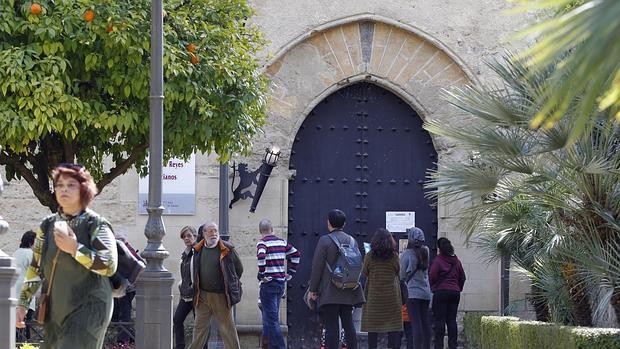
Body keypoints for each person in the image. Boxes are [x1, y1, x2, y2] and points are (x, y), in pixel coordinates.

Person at [16, 163, 118, 349]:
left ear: (84, 189)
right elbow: (35, 268)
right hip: (55, 311)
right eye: (59, 185)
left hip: (90, 307)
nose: (64, 189)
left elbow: (109, 264)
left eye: (71, 185)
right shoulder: (46, 225)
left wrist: (75, 249)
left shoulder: (95, 224)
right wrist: (22, 304)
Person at [308, 209, 365, 349]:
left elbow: (317, 266)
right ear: (344, 224)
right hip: (348, 287)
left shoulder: (325, 241)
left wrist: (313, 289)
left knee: (331, 325)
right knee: (348, 324)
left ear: (328, 223)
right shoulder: (352, 240)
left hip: (330, 290)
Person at [189, 222, 243, 349]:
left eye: (215, 230)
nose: (213, 234)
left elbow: (239, 269)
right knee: (199, 328)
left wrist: (229, 284)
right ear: (204, 233)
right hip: (202, 295)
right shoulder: (198, 249)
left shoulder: (227, 249)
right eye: (210, 231)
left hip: (221, 295)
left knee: (227, 328)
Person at [256, 218, 301, 349]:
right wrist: (291, 272)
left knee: (272, 319)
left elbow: (261, 256)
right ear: (272, 229)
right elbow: (296, 254)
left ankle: (280, 347)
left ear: (260, 231)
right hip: (280, 284)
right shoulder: (281, 242)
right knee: (269, 316)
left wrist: (261, 274)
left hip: (269, 284)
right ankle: (267, 345)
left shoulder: (262, 243)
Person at [361, 228, 403, 349]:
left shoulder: (369, 256)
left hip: (374, 298)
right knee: (393, 328)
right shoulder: (394, 256)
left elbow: (365, 271)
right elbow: (398, 271)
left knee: (372, 329)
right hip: (391, 298)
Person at [429, 238, 466, 349]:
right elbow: (463, 277)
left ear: (440, 248)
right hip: (454, 293)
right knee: (451, 320)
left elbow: (432, 276)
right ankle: (452, 346)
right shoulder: (457, 261)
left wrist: (434, 287)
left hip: (441, 292)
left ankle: (438, 346)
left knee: (440, 321)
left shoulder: (438, 260)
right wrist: (458, 288)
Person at [400, 227, 431, 349]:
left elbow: (401, 274)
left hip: (412, 293)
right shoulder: (426, 251)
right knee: (425, 322)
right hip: (426, 293)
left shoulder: (407, 254)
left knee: (416, 323)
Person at [173, 226, 200, 349]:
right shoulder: (185, 254)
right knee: (177, 319)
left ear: (195, 236)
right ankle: (180, 346)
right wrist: (181, 285)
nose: (186, 238)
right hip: (185, 295)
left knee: (199, 325)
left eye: (189, 236)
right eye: (184, 236)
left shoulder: (198, 253)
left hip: (196, 295)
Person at [111, 230, 140, 344]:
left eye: (119, 239)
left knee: (124, 314)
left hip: (127, 289)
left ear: (124, 241)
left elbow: (141, 267)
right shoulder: (118, 251)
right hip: (118, 288)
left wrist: (132, 284)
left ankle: (123, 342)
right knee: (115, 315)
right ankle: (132, 337)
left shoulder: (129, 251)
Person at [13, 230, 37, 342]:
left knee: (14, 322)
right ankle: (26, 343)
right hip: (26, 290)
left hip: (13, 290)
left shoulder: (15, 253)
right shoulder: (31, 254)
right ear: (31, 242)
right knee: (27, 322)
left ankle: (16, 342)